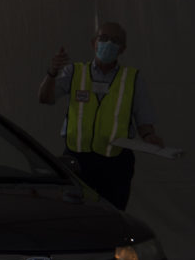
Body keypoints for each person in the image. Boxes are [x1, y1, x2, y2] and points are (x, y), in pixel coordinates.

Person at [38, 21, 164, 210]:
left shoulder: (132, 79)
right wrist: (52, 72)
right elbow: (45, 98)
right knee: (76, 215)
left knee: (112, 217)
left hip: (115, 163)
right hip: (77, 161)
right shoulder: (75, 72)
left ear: (122, 49)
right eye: (103, 38)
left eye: (115, 41)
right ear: (93, 43)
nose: (108, 44)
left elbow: (144, 121)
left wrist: (149, 136)